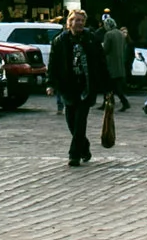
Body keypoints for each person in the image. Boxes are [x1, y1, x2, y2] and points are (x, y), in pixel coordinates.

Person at [48, 9, 106, 166]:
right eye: (76, 20)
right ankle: (84, 148)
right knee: (71, 122)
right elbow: (53, 64)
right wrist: (51, 83)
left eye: (82, 20)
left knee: (80, 121)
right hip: (68, 86)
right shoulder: (60, 40)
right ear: (69, 22)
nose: (79, 23)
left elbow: (101, 62)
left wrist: (107, 86)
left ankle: (74, 154)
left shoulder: (91, 39)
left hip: (86, 86)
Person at [100, 13, 131, 108]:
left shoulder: (108, 34)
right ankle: (110, 102)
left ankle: (122, 102)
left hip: (110, 63)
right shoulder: (121, 34)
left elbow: (106, 50)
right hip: (119, 63)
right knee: (114, 86)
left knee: (110, 86)